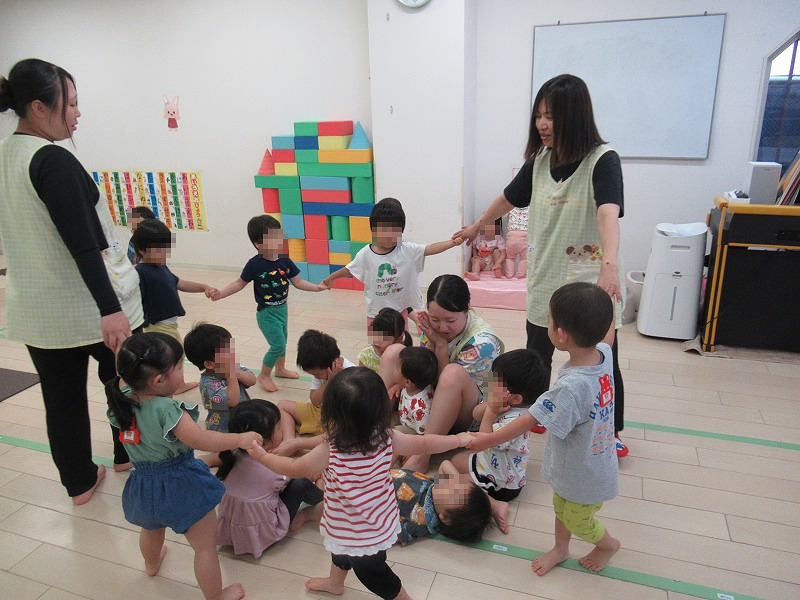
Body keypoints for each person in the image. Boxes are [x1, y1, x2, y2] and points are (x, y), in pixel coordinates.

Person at [457, 74, 628, 457]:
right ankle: (534, 412)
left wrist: (610, 265)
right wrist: (477, 226)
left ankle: (610, 428)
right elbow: (507, 198)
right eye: (538, 116)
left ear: (574, 116)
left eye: (550, 116)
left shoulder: (603, 160)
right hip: (546, 276)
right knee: (537, 355)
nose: (541, 124)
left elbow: (608, 213)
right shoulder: (539, 162)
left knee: (600, 361)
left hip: (588, 285)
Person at [0, 58, 144, 503]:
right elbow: (84, 246)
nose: (78, 113)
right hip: (90, 308)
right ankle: (127, 456)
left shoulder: (6, 155)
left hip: (38, 311)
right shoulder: (52, 161)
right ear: (39, 107)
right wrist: (111, 309)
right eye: (72, 103)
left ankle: (79, 483)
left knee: (61, 400)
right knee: (126, 384)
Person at [245, 367, 474, 599]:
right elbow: (425, 444)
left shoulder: (331, 450)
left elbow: (295, 468)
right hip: (361, 519)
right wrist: (458, 439)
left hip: (363, 532)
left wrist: (263, 457)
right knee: (340, 552)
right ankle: (335, 583)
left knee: (374, 575)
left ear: (332, 415)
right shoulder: (387, 438)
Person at [467, 282, 621, 576]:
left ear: (560, 334)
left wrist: (486, 439)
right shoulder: (602, 354)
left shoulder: (570, 387)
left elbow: (528, 420)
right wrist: (611, 304)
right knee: (561, 509)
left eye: (549, 320)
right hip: (581, 463)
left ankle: (607, 545)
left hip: (585, 473)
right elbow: (609, 336)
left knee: (578, 520)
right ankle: (561, 549)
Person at [105, 332, 262, 600]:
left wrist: (124, 353)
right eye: (178, 367)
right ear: (158, 380)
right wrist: (240, 439)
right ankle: (215, 596)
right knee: (204, 548)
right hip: (181, 486)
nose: (182, 372)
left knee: (151, 529)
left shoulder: (123, 398)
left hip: (144, 486)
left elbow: (124, 375)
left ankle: (151, 564)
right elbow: (201, 439)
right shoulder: (168, 410)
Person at [379, 274, 503, 472]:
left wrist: (440, 345)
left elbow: (445, 384)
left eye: (450, 320)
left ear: (467, 309)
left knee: (452, 373)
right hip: (427, 398)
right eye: (435, 319)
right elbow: (424, 367)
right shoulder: (429, 324)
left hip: (467, 414)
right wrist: (400, 380)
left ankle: (422, 455)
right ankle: (374, 430)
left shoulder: (482, 343)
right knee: (394, 352)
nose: (442, 327)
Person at [209, 215, 327, 392]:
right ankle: (264, 375)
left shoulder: (285, 261)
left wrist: (317, 288)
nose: (277, 241)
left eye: (278, 236)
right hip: (267, 313)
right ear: (258, 243)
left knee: (283, 341)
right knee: (277, 345)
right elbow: (239, 283)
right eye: (271, 238)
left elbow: (298, 281)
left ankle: (280, 369)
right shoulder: (254, 264)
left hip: (283, 309)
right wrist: (221, 294)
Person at [323, 197, 463, 330]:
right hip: (376, 315)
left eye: (394, 232)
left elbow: (430, 248)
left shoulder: (406, 249)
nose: (388, 236)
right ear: (373, 230)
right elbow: (349, 269)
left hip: (399, 312)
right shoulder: (366, 254)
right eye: (383, 231)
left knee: (402, 342)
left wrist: (452, 243)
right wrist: (331, 278)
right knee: (378, 345)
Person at [216, 400, 323, 558]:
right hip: (264, 533)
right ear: (264, 442)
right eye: (279, 428)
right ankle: (321, 497)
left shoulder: (234, 455)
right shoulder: (272, 467)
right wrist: (312, 475)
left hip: (234, 530)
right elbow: (295, 474)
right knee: (301, 483)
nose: (282, 430)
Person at [443, 349, 549, 503]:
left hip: (500, 484)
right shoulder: (504, 403)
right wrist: (491, 406)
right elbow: (475, 414)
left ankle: (494, 505)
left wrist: (491, 412)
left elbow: (482, 443)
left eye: (495, 381)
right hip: (491, 462)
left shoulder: (516, 421)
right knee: (456, 460)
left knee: (446, 470)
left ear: (516, 398)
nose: (489, 383)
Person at [277, 329, 355, 446]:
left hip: (342, 418)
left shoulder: (351, 373)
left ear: (335, 362)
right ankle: (289, 440)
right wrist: (329, 381)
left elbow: (351, 410)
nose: (316, 377)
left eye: (318, 375)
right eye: (314, 375)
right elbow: (315, 401)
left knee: (345, 431)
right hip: (322, 413)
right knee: (283, 405)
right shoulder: (320, 369)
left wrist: (336, 379)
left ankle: (301, 444)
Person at [184, 323, 256, 433]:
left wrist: (236, 372)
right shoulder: (208, 384)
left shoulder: (234, 367)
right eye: (226, 352)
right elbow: (233, 401)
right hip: (223, 430)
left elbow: (252, 380)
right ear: (209, 364)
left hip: (243, 421)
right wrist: (231, 375)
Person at [396, 346, 438, 435]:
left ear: (407, 382)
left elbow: (422, 433)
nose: (394, 370)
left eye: (396, 369)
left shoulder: (419, 409)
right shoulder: (419, 384)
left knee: (392, 431)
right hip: (404, 418)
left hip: (413, 431)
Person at [358, 307, 412, 374]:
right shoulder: (365, 356)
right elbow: (362, 378)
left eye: (383, 338)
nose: (377, 341)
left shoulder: (403, 358)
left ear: (398, 339)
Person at [504, 206, 529, 278]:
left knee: (510, 258)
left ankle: (509, 274)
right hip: (525, 235)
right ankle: (520, 274)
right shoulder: (531, 208)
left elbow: (503, 214)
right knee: (524, 258)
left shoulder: (511, 206)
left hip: (512, 235)